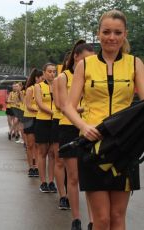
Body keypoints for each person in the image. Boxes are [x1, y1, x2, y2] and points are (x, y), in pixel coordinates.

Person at [62, 10, 144, 230]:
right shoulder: (85, 65)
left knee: (118, 217)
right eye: (106, 32)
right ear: (98, 34)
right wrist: (83, 126)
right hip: (92, 145)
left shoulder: (135, 63)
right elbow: (68, 105)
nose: (112, 37)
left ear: (125, 34)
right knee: (101, 219)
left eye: (117, 32)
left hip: (124, 148)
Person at [56, 40, 95, 230]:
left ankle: (93, 221)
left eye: (93, 59)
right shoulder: (63, 77)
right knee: (73, 177)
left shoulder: (94, 75)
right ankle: (76, 218)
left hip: (89, 127)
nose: (89, 63)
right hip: (69, 127)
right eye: (85, 59)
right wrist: (84, 108)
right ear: (76, 57)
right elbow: (64, 107)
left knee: (89, 175)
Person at [34, 63, 58, 193]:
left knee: (53, 153)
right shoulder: (38, 86)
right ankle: (43, 181)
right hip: (43, 121)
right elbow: (39, 103)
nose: (52, 74)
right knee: (42, 152)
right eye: (49, 71)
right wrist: (54, 112)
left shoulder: (59, 85)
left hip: (55, 122)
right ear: (44, 73)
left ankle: (51, 181)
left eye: (54, 71)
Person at [23, 68, 43, 177]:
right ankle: (31, 167)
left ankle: (37, 166)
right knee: (30, 145)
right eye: (42, 78)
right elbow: (28, 105)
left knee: (38, 145)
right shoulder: (30, 89)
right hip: (30, 118)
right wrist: (41, 109)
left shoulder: (43, 88)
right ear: (36, 78)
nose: (43, 80)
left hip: (40, 118)